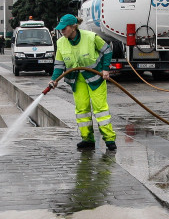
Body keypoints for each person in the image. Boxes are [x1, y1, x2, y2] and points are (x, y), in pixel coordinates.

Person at [47, 14, 117, 151]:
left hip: (96, 78)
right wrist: (54, 79)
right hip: (76, 80)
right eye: (61, 29)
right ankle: (87, 139)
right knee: (82, 110)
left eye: (64, 28)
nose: (62, 31)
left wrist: (105, 69)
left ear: (73, 27)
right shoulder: (61, 43)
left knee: (100, 110)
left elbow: (107, 51)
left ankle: (109, 140)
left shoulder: (91, 37)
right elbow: (59, 64)